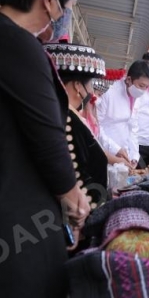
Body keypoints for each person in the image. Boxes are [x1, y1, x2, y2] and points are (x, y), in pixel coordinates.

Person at [0, 0, 90, 297]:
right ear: (49, 1)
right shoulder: (17, 43)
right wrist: (75, 203)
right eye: (68, 7)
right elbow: (47, 137)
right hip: (18, 218)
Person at [44, 41, 113, 208]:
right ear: (77, 86)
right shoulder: (66, 121)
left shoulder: (64, 115)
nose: (91, 91)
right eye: (90, 84)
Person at [97, 60, 149, 169]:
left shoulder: (137, 96)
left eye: (146, 87)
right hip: (103, 151)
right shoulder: (109, 92)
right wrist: (115, 148)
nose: (143, 90)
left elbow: (132, 128)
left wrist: (134, 155)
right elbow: (95, 127)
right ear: (129, 79)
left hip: (124, 154)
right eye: (141, 85)